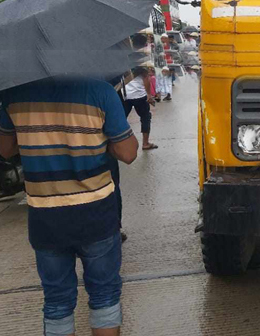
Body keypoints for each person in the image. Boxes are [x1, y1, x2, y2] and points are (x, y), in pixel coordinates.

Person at [0, 77, 139, 336]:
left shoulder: (13, 94)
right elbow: (128, 153)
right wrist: (101, 140)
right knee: (104, 294)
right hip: (96, 214)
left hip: (45, 218)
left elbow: (5, 149)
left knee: (57, 301)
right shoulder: (100, 91)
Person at [123, 67, 157, 151]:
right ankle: (145, 143)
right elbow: (146, 79)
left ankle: (119, 143)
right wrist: (149, 95)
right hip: (140, 96)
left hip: (125, 96)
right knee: (145, 118)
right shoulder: (140, 65)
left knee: (121, 119)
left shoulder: (121, 65)